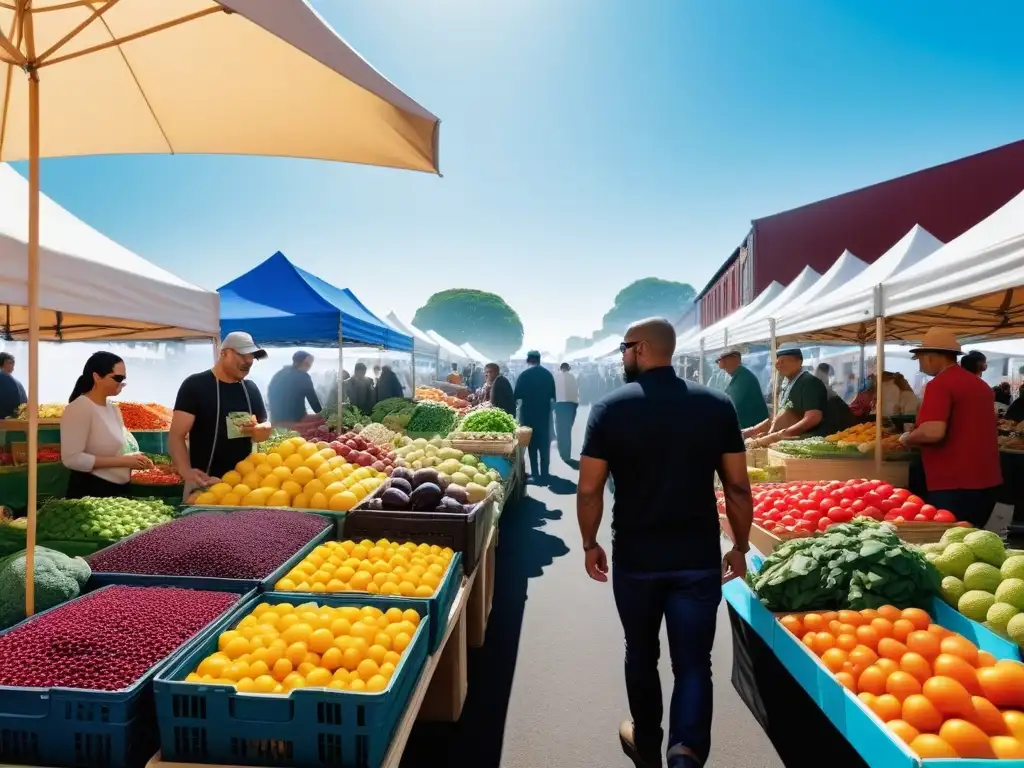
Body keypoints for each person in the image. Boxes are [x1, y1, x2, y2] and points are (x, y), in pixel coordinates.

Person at [577, 318, 752, 768]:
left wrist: (589, 543)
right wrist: (739, 545)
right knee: (694, 663)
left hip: (636, 556)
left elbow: (589, 489)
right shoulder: (717, 405)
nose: (621, 357)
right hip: (696, 556)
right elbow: (736, 487)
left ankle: (647, 741)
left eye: (623, 349)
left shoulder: (610, 409)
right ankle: (685, 753)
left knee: (641, 651)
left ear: (642, 348)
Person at [899, 328, 1001, 528]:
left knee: (948, 544)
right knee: (974, 542)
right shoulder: (981, 385)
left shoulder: (940, 384)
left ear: (931, 357)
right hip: (987, 479)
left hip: (952, 482)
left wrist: (907, 438)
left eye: (920, 359)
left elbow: (933, 432)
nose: (920, 365)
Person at [169, 332, 272, 494]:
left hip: (244, 487)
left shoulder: (250, 389)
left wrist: (263, 429)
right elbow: (176, 435)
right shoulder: (195, 385)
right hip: (203, 484)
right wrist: (185, 471)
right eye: (243, 355)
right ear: (224, 353)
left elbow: (261, 430)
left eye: (252, 356)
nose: (249, 361)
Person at [61, 352, 153, 498]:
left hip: (117, 491)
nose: (122, 383)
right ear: (97, 377)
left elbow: (111, 451)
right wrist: (123, 461)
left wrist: (132, 457)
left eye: (124, 378)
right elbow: (72, 459)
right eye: (118, 378)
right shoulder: (80, 407)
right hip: (91, 492)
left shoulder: (113, 408)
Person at [743, 348, 829, 446]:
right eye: (777, 362)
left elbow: (813, 417)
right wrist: (753, 431)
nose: (778, 365)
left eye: (783, 361)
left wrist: (784, 434)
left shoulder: (809, 382)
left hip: (807, 441)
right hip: (785, 439)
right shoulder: (788, 383)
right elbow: (780, 416)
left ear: (799, 362)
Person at [513, 350, 555, 483]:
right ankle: (545, 474)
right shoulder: (548, 375)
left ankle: (535, 474)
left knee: (532, 445)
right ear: (539, 360)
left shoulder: (524, 375)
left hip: (528, 415)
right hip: (544, 415)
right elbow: (553, 397)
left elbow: (517, 395)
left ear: (528, 360)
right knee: (544, 445)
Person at [716, 349, 769, 429]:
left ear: (734, 361)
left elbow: (732, 402)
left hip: (754, 426)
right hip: (748, 425)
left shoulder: (744, 377)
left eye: (725, 362)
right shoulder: (738, 376)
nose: (724, 368)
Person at [267, 350, 322, 426]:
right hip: (295, 421)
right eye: (310, 363)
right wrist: (323, 415)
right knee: (323, 420)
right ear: (305, 362)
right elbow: (313, 401)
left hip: (275, 419)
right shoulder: (303, 376)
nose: (310, 366)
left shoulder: (279, 374)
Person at [554, 362, 580, 463]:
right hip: (570, 405)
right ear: (568, 368)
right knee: (567, 429)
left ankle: (562, 451)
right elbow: (575, 392)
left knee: (560, 429)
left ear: (561, 369)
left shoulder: (556, 377)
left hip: (559, 405)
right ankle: (567, 454)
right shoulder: (572, 377)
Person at [0, 352, 26, 419]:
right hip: (16, 418)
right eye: (10, 363)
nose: (12, 367)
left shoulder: (5, 378)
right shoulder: (17, 382)